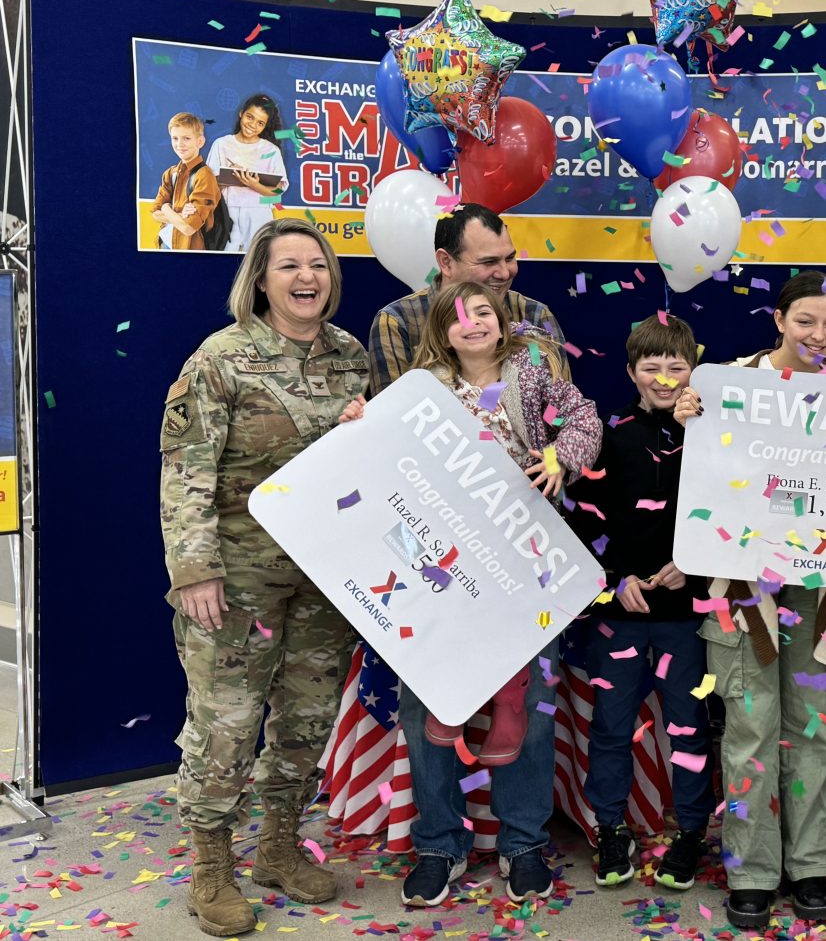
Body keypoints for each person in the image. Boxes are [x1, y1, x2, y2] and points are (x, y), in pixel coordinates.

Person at [343, 280, 599, 906]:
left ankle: (522, 844)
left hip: (522, 559)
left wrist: (562, 457)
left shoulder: (534, 372)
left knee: (533, 703)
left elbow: (586, 418)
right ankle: (438, 844)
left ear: (501, 318)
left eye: (483, 310)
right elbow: (380, 454)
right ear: (440, 332)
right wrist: (358, 421)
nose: (474, 323)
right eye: (458, 318)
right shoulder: (418, 389)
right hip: (441, 566)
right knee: (423, 705)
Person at [160, 218, 368, 937]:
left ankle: (279, 845)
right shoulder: (220, 359)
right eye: (289, 266)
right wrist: (195, 571)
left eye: (318, 264)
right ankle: (211, 866)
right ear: (261, 277)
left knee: (307, 720)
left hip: (325, 576)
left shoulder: (350, 356)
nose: (307, 277)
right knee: (227, 723)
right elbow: (186, 471)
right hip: (239, 576)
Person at [673, 270, 826, 930]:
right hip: (743, 588)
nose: (819, 335)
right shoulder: (726, 381)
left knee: (814, 727)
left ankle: (809, 864)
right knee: (750, 730)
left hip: (821, 588)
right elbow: (702, 472)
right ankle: (751, 871)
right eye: (806, 320)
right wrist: (688, 413)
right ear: (779, 319)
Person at [564, 314, 713, 891]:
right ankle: (609, 827)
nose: (665, 377)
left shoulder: (711, 435)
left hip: (686, 617)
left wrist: (695, 569)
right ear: (631, 372)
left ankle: (693, 832)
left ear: (693, 372)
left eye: (677, 367)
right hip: (620, 617)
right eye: (651, 367)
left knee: (689, 726)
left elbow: (727, 517)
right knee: (611, 726)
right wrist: (613, 576)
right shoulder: (610, 435)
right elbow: (585, 521)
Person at [368, 203, 565, 397]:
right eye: (488, 262)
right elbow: (394, 418)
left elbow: (562, 410)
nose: (505, 273)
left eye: (510, 258)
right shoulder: (398, 321)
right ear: (446, 262)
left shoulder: (536, 315)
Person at [207, 94, 290, 252]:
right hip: (226, 211)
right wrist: (232, 176)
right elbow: (209, 186)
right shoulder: (222, 144)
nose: (252, 125)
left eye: (260, 123)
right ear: (241, 113)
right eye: (249, 117)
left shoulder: (271, 150)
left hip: (259, 213)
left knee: (258, 261)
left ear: (265, 126)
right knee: (222, 258)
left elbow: (277, 192)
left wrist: (252, 183)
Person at [151, 112, 222, 251]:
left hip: (188, 248)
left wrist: (166, 208)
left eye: (186, 138)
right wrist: (179, 214)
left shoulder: (205, 176)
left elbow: (188, 228)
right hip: (165, 243)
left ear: (200, 141)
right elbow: (154, 214)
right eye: (175, 138)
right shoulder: (170, 173)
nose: (179, 144)